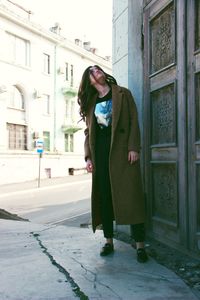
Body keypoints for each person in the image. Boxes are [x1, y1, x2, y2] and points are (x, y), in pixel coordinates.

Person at [77, 65, 148, 263]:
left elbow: (134, 121)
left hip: (122, 151)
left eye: (97, 69)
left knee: (132, 196)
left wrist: (134, 147)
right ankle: (108, 241)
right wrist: (88, 157)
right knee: (104, 197)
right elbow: (88, 132)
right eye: (91, 72)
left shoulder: (123, 94)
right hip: (100, 153)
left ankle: (140, 245)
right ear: (89, 80)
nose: (96, 72)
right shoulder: (91, 102)